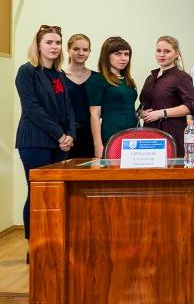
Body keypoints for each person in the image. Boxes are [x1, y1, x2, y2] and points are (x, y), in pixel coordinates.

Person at [15, 25, 75, 246]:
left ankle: (53, 242)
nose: (54, 46)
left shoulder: (59, 74)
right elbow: (32, 108)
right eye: (49, 42)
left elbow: (68, 107)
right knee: (37, 193)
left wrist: (70, 135)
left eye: (58, 42)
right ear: (38, 45)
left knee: (56, 193)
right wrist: (60, 135)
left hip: (61, 144)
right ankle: (34, 245)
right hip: (35, 141)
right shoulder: (27, 71)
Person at [139, 36, 194, 156]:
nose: (162, 55)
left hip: (173, 132)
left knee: (172, 166)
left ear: (176, 54)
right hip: (150, 132)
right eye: (158, 51)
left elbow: (191, 106)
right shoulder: (150, 78)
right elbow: (143, 105)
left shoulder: (181, 77)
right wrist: (141, 113)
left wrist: (161, 113)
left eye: (167, 51)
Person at [86, 36, 139, 158]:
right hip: (112, 130)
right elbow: (95, 115)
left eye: (127, 54)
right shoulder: (98, 80)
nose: (123, 58)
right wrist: (98, 145)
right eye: (118, 54)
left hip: (133, 130)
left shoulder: (129, 80)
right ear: (107, 56)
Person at [63, 33, 96, 158]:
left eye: (85, 50)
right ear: (68, 50)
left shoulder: (96, 78)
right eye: (76, 49)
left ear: (89, 52)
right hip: (66, 136)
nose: (81, 53)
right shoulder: (59, 76)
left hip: (89, 135)